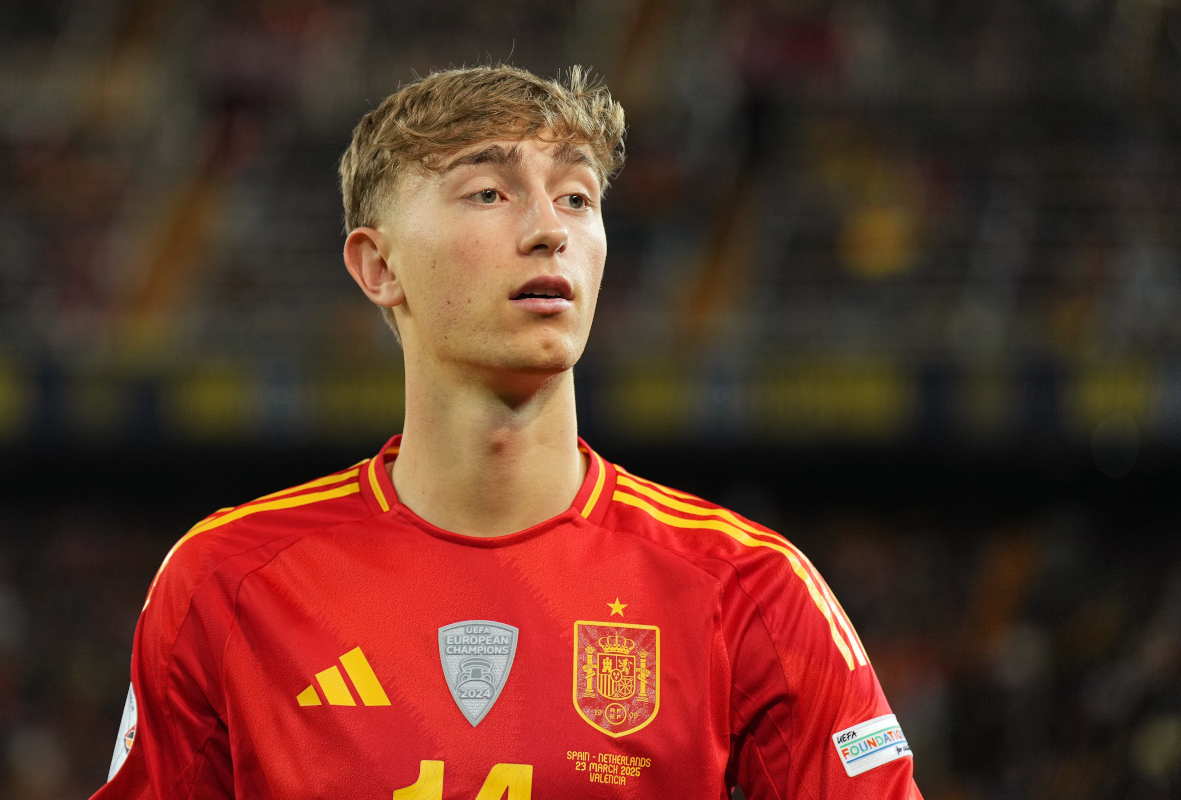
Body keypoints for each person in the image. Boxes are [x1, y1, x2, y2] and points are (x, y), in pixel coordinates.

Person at [91, 64, 923, 800]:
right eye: (489, 192)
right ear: (378, 267)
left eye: (577, 197)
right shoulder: (225, 583)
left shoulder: (751, 589)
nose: (548, 228)